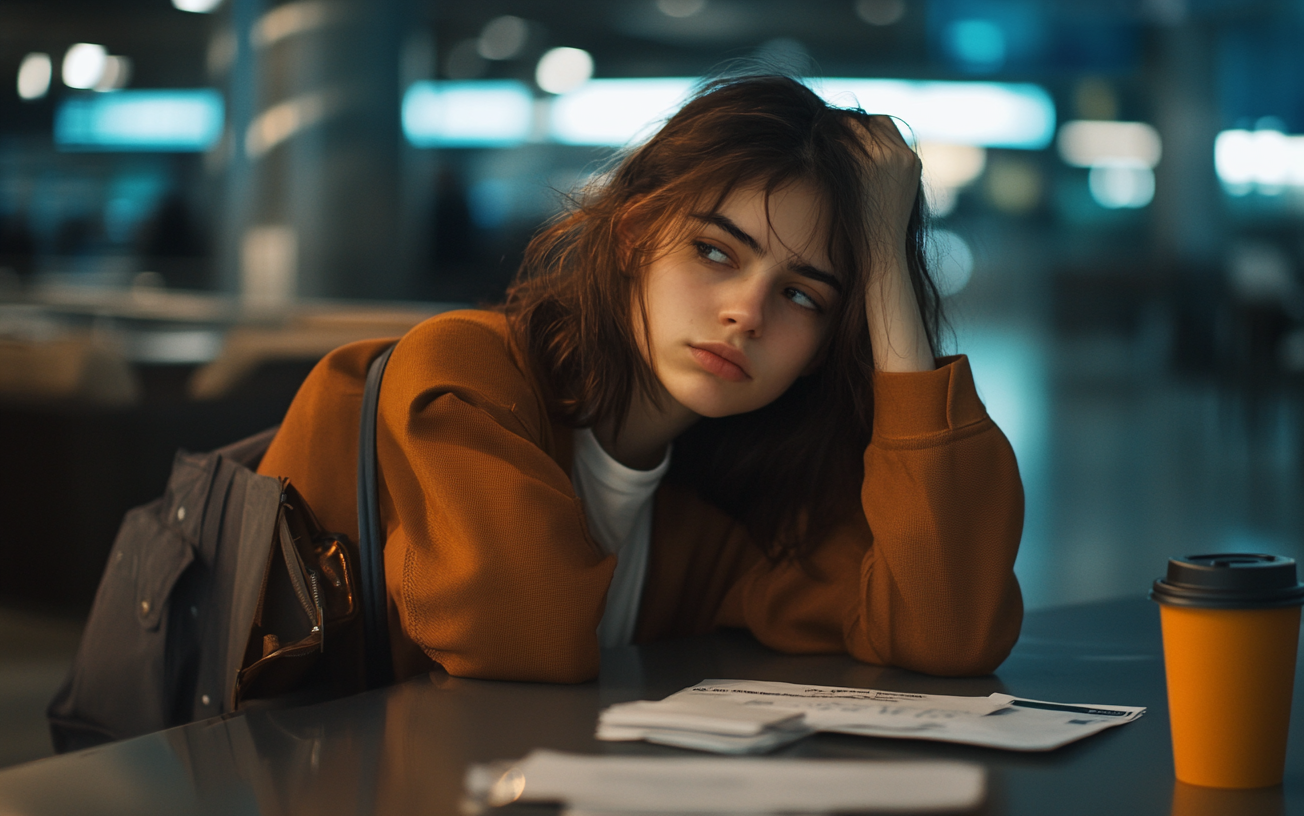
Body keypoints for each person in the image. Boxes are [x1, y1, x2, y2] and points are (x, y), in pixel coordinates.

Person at [257, 74, 1024, 685]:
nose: (746, 312)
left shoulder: (716, 528)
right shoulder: (461, 374)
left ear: (822, 348)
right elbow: (524, 638)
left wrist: (887, 259)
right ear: (632, 236)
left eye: (801, 295)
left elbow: (947, 630)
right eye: (715, 252)